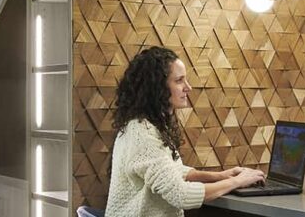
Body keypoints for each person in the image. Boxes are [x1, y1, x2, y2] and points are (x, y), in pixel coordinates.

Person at [105, 47, 265, 217]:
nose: (188, 87)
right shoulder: (141, 133)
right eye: (179, 80)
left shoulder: (147, 126)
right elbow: (181, 194)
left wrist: (222, 176)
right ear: (157, 87)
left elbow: (175, 172)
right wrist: (237, 181)